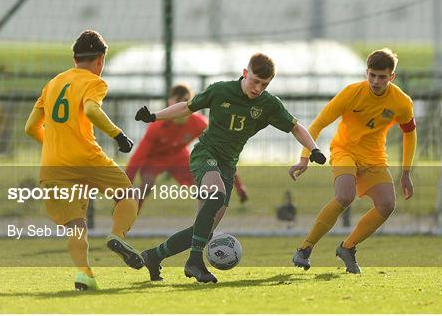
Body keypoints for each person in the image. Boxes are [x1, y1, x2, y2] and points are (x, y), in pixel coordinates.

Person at [135, 53, 327, 283]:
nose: (258, 88)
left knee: (202, 231)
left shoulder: (268, 104)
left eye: (264, 84)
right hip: (205, 154)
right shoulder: (220, 90)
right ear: (245, 73)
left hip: (227, 164)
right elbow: (187, 108)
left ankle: (154, 256)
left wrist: (314, 149)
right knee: (217, 195)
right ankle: (194, 262)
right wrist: (154, 116)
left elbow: (296, 127)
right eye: (255, 81)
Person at [25, 30, 144, 291]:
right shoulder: (94, 81)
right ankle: (117, 236)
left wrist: (56, 145)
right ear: (100, 60)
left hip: (53, 165)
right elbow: (91, 109)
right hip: (88, 159)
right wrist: (118, 135)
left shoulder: (53, 83)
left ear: (74, 58)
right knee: (127, 196)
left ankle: (84, 274)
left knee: (76, 225)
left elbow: (31, 127)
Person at [289, 48, 417, 274]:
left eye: (382, 76)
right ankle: (305, 248)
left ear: (392, 77)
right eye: (372, 75)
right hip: (344, 151)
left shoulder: (402, 102)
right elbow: (318, 123)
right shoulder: (351, 93)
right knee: (344, 196)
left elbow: (410, 133)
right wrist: (304, 158)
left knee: (387, 205)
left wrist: (406, 172)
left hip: (374, 158)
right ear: (366, 72)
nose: (376, 81)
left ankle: (347, 247)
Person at [126, 84, 249, 212]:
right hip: (154, 159)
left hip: (179, 156)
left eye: (186, 102)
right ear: (170, 102)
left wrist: (239, 187)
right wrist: (125, 185)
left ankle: (204, 225)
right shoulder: (156, 127)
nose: (182, 107)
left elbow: (222, 151)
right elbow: (138, 157)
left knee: (203, 185)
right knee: (146, 185)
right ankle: (127, 213)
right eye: (178, 102)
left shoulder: (200, 123)